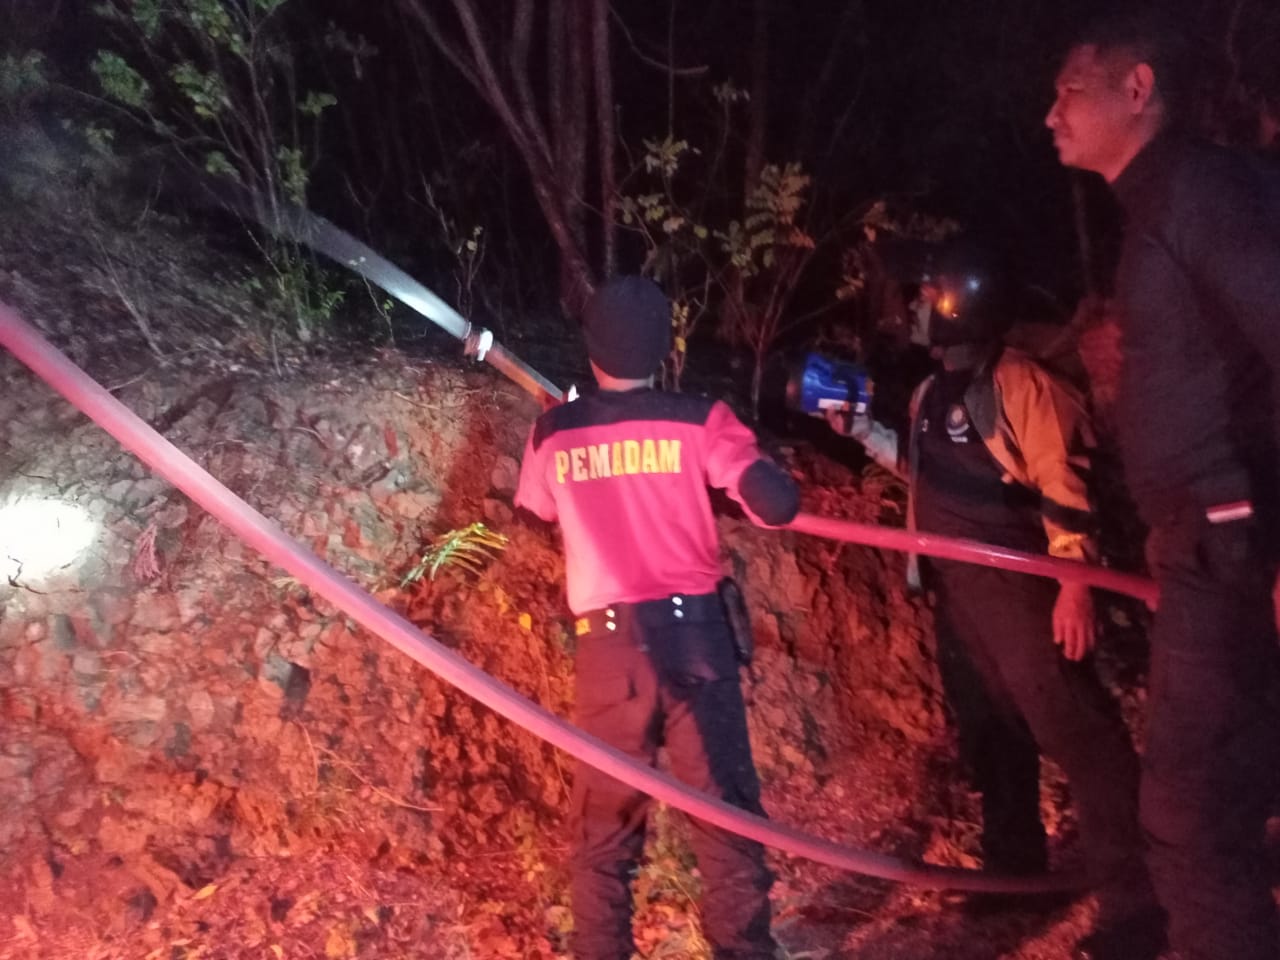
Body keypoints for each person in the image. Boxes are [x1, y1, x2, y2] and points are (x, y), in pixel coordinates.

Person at [826, 244, 1163, 959]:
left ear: (957, 305)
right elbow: (925, 475)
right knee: (990, 734)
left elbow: (1063, 485)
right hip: (959, 591)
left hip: (1023, 586)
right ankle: (1015, 866)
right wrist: (860, 431)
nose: (913, 309)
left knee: (1080, 734)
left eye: (925, 297)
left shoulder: (1021, 385)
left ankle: (1140, 898)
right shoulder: (928, 393)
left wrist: (1075, 584)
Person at [1045, 9, 1280, 960]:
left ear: (1136, 88)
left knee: (1189, 815)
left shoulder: (1198, 193)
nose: (1049, 112)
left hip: (1227, 540)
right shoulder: (1172, 206)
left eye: (1069, 89)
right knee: (1227, 791)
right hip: (1213, 538)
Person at [514, 275, 798, 960]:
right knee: (726, 821)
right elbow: (776, 505)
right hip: (696, 641)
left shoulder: (553, 430)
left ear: (591, 350)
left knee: (604, 839)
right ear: (665, 348)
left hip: (610, 655)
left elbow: (532, 516)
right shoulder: (700, 419)